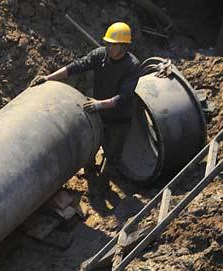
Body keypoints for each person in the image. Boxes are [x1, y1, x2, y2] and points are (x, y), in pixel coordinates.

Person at [30, 22, 141, 178]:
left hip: (118, 119)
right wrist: (47, 78)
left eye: (114, 45)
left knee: (112, 157)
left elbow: (124, 96)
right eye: (107, 44)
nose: (109, 48)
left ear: (124, 46)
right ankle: (91, 178)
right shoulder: (100, 55)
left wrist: (99, 104)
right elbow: (75, 67)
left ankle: (104, 184)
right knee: (90, 147)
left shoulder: (132, 66)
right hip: (98, 113)